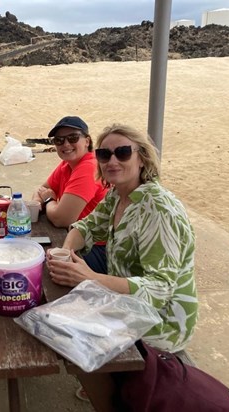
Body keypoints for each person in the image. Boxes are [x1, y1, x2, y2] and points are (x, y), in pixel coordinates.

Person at [47, 124, 198, 402]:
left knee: (71, 336)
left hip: (162, 320)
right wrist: (68, 251)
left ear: (142, 158)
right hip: (127, 301)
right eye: (105, 154)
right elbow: (86, 226)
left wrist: (88, 277)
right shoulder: (119, 194)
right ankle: (104, 383)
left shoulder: (158, 209)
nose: (112, 161)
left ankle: (107, 395)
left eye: (123, 152)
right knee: (55, 320)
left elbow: (160, 289)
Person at [31, 116, 108, 273]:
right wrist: (40, 202)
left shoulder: (88, 167)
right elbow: (40, 190)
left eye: (72, 138)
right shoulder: (67, 164)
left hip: (97, 248)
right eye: (59, 140)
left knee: (37, 267)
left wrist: (49, 200)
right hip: (75, 239)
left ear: (87, 141)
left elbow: (62, 219)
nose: (66, 144)